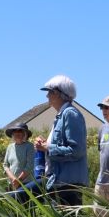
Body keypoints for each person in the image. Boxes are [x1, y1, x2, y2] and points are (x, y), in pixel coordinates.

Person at [33, 75, 88, 207]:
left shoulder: (70, 114)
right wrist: (46, 145)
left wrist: (48, 148)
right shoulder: (62, 115)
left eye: (49, 92)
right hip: (60, 182)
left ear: (58, 94)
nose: (47, 96)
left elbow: (76, 150)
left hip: (67, 184)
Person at [3, 122, 37, 202]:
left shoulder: (29, 146)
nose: (17, 133)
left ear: (24, 134)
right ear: (12, 134)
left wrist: (19, 180)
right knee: (14, 209)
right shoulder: (10, 147)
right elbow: (5, 165)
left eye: (20, 131)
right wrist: (13, 179)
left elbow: (30, 166)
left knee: (27, 208)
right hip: (12, 184)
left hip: (26, 184)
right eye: (15, 131)